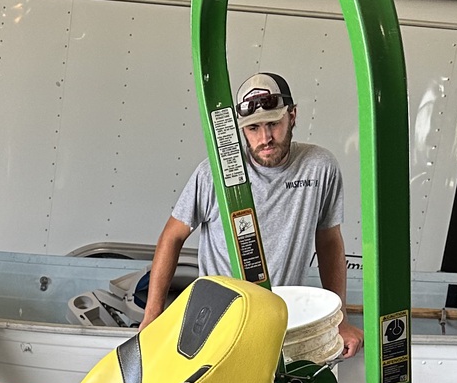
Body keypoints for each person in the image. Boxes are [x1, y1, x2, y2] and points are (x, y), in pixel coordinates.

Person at [141, 71, 362, 357]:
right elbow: (171, 237)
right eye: (253, 128)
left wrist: (340, 318)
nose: (265, 138)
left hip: (281, 320)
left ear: (292, 116)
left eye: (273, 124)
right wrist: (153, 316)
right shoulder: (215, 174)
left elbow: (329, 241)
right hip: (217, 322)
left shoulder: (319, 167)